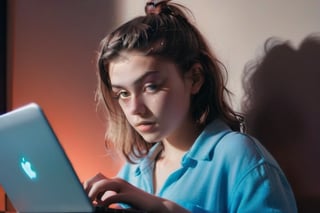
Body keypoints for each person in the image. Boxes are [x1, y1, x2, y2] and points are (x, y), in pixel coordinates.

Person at [83, 0, 297, 212]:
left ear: (194, 78)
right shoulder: (133, 171)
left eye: (151, 86)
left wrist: (165, 209)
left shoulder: (238, 157)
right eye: (123, 93)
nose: (134, 109)